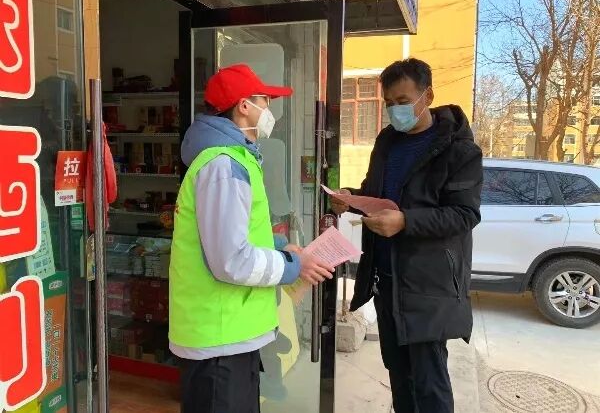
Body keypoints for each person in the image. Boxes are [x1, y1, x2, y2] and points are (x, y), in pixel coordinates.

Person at [169, 64, 334, 413]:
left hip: (230, 336)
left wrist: (280, 247)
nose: (270, 109)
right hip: (219, 341)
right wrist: (293, 265)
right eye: (265, 100)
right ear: (244, 105)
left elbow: (232, 236)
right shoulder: (224, 166)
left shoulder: (235, 160)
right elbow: (231, 260)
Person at [331, 58, 483, 413]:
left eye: (402, 101)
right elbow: (376, 195)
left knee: (429, 386)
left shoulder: (459, 151)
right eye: (388, 103)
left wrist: (406, 222)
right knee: (399, 378)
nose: (394, 110)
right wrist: (351, 199)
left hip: (428, 287)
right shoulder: (387, 142)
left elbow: (465, 214)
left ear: (427, 96)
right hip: (387, 282)